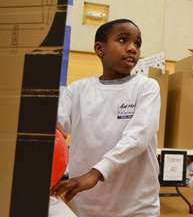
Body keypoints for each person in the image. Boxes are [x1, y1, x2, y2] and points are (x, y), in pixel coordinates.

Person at [50, 19, 161, 217]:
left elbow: (138, 137)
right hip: (85, 204)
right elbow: (54, 131)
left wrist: (95, 173)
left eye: (137, 43)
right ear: (99, 48)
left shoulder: (146, 87)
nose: (132, 49)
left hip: (136, 207)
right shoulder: (77, 90)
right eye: (123, 40)